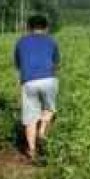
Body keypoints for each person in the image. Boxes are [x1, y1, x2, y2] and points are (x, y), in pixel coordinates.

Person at [14, 13, 60, 161]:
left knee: (30, 118)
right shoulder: (52, 41)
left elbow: (18, 65)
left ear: (28, 27)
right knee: (49, 109)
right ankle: (42, 131)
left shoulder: (21, 42)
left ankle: (32, 151)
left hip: (28, 82)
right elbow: (56, 64)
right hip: (48, 79)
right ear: (46, 27)